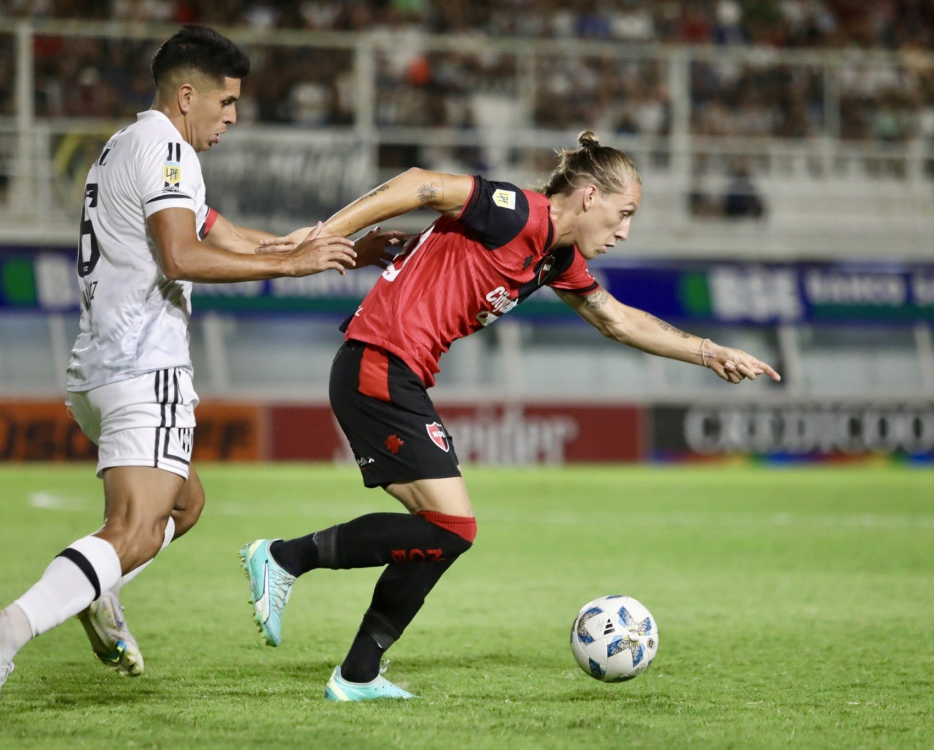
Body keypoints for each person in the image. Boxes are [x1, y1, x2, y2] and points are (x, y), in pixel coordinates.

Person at [239, 130, 781, 702]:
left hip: (394, 372)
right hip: (378, 362)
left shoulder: (556, 256)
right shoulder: (515, 211)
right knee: (452, 529)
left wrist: (709, 352)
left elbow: (617, 320)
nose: (624, 231)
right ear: (590, 196)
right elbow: (419, 184)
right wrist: (326, 235)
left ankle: (358, 674)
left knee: (444, 534)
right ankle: (284, 557)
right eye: (624, 214)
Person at [0, 25, 366, 725]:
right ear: (188, 95)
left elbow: (220, 232)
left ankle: (97, 590)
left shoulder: (126, 145)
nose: (233, 116)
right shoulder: (169, 148)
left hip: (98, 370)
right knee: (132, 528)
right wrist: (289, 266)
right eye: (227, 101)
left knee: (185, 506)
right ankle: (2, 633)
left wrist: (313, 245)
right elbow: (183, 255)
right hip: (143, 366)